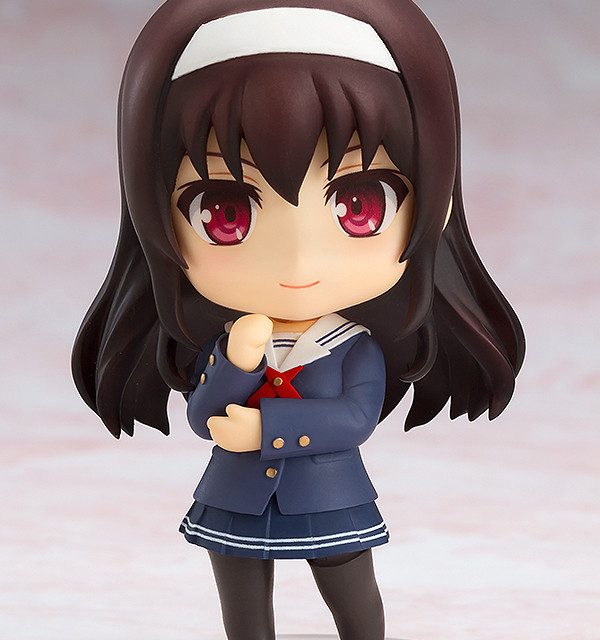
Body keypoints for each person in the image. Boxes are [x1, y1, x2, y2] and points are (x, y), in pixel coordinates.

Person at [72, 2, 525, 639]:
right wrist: (236, 362)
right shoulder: (231, 341)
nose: (297, 263)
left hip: (328, 494)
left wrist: (266, 428)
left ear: (438, 201)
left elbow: (355, 417)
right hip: (235, 496)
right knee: (244, 608)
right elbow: (204, 416)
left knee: (353, 599)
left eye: (360, 205)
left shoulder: (352, 347)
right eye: (225, 214)